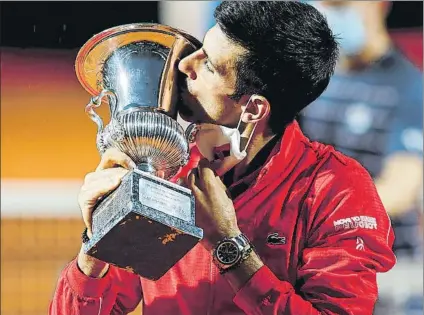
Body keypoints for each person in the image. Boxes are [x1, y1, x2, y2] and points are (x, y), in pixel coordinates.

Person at [49, 2, 396, 315]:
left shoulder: (338, 190)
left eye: (210, 66)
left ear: (253, 107)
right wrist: (95, 251)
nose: (184, 63)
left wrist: (228, 244)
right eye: (201, 47)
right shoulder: (163, 170)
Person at [300, 1, 423, 259]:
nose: (332, 15)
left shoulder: (410, 86)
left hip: (386, 262)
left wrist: (323, 216)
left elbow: (401, 188)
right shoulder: (313, 81)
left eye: (342, 5)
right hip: (321, 260)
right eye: (327, 6)